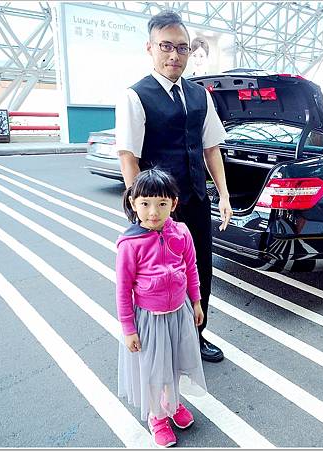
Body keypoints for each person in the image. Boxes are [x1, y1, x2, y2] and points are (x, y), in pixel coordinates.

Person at [116, 10, 232, 363]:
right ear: (150, 48)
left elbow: (211, 148)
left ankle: (196, 336)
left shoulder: (199, 95)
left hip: (195, 199)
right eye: (166, 46)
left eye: (182, 48)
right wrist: (140, 212)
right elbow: (129, 157)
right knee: (157, 277)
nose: (174, 55)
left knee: (199, 269)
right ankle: (161, 343)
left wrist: (223, 195)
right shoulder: (135, 96)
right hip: (158, 209)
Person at [117, 169, 207, 448]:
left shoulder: (181, 232)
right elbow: (123, 289)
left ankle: (172, 403)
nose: (153, 212)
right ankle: (157, 416)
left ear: (174, 203)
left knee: (175, 364)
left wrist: (196, 301)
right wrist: (128, 329)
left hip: (179, 314)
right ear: (133, 203)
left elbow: (191, 268)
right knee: (154, 371)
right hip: (149, 320)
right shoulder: (130, 243)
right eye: (145, 203)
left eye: (161, 203)